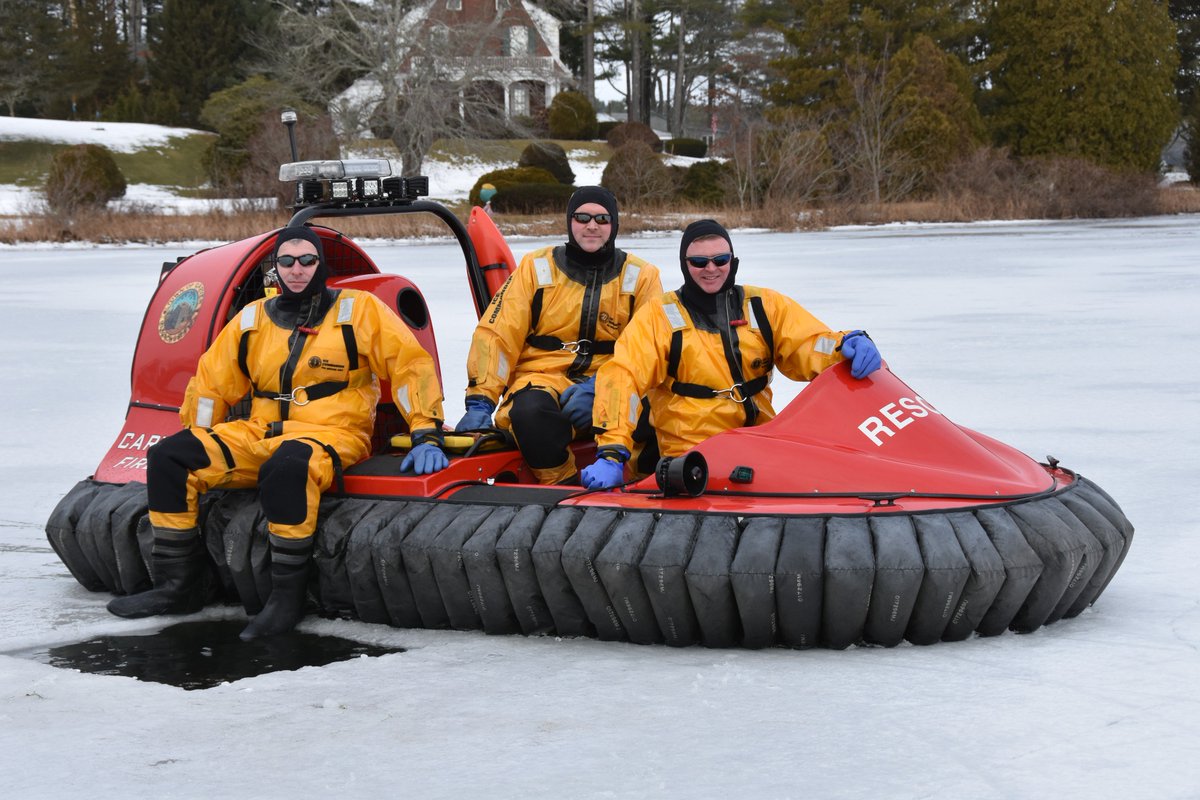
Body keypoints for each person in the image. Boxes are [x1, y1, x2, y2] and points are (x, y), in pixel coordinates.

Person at [108, 226, 449, 638]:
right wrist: (198, 436)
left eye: (307, 260)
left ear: (321, 264)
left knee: (288, 465)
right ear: (275, 268)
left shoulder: (358, 311)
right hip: (260, 432)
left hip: (333, 432)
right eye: (287, 262)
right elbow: (210, 385)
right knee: (170, 458)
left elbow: (410, 366)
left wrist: (425, 431)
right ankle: (178, 587)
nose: (297, 270)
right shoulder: (252, 320)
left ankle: (286, 599)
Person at [581, 219, 882, 489]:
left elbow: (808, 344)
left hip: (762, 442)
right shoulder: (659, 317)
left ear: (732, 261)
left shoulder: (764, 305)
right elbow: (623, 376)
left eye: (720, 260)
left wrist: (844, 345)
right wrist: (611, 452)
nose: (710, 269)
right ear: (685, 264)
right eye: (699, 261)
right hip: (692, 455)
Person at [455, 186, 662, 484]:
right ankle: (563, 487)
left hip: (613, 379)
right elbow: (497, 334)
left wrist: (599, 388)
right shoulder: (535, 268)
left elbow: (649, 347)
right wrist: (480, 401)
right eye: (583, 217)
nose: (592, 226)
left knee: (658, 412)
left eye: (602, 219)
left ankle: (644, 485)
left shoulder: (642, 276)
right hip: (542, 377)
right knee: (528, 414)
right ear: (570, 221)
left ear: (613, 225)